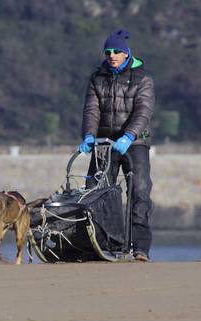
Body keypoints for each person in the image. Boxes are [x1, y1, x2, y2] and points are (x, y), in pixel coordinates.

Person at [78, 28, 155, 262]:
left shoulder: (143, 78)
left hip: (134, 143)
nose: (112, 55)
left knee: (140, 191)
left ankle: (140, 247)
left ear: (126, 53)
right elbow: (91, 109)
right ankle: (103, 244)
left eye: (116, 51)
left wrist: (129, 136)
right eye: (108, 51)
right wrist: (88, 136)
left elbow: (144, 111)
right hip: (104, 143)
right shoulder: (97, 77)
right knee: (96, 191)